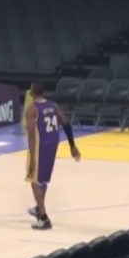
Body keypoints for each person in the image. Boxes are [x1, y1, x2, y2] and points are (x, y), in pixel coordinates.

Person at [24, 81, 81, 230]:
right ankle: (39, 207)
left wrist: (32, 157)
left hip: (40, 146)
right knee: (43, 180)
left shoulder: (32, 109)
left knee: (33, 179)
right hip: (53, 144)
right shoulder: (53, 106)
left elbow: (31, 136)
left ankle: (43, 218)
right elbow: (66, 124)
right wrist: (72, 146)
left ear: (32, 93)